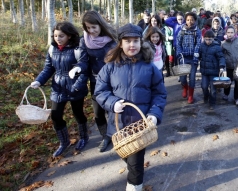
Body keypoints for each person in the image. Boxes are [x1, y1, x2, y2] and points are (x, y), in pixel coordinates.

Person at [94, 23, 167, 191]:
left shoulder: (150, 68)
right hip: (118, 125)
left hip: (140, 126)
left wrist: (155, 113)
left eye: (135, 41)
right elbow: (100, 91)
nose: (132, 45)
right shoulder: (110, 67)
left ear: (141, 42)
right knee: (127, 155)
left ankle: (135, 185)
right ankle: (136, 172)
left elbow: (159, 93)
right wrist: (112, 103)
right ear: (120, 43)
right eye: (127, 41)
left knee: (135, 163)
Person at [30, 21, 89, 157]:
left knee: (78, 114)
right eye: (55, 36)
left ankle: (84, 137)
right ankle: (64, 142)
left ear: (69, 36)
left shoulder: (77, 49)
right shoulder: (52, 49)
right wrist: (39, 81)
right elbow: (48, 68)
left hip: (74, 87)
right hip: (58, 87)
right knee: (56, 116)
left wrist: (76, 87)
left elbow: (84, 70)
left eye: (61, 36)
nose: (58, 39)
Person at [74, 10, 117, 152]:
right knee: (98, 112)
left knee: (114, 109)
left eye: (94, 27)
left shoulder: (111, 37)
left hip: (113, 79)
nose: (91, 31)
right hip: (96, 81)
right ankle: (105, 137)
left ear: (100, 24)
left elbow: (119, 57)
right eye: (88, 27)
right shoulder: (84, 40)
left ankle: (117, 134)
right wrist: (79, 68)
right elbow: (83, 60)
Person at [176, 12, 202, 103]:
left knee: (192, 78)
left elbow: (198, 44)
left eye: (191, 20)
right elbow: (178, 44)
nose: (189, 21)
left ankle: (190, 95)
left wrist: (195, 56)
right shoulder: (181, 31)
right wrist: (180, 54)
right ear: (185, 20)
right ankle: (185, 88)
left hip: (193, 58)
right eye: (187, 20)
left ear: (195, 20)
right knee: (183, 77)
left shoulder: (197, 31)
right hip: (183, 58)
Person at [198, 30, 226, 110]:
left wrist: (221, 67)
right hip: (204, 71)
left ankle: (212, 103)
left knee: (213, 89)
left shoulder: (217, 47)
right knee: (204, 86)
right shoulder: (202, 46)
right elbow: (199, 55)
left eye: (210, 39)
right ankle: (206, 96)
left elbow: (221, 57)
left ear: (213, 39)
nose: (208, 41)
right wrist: (197, 56)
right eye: (206, 39)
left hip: (214, 71)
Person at [221, 26, 238, 106]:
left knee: (237, 83)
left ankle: (237, 98)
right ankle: (226, 94)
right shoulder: (223, 43)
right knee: (228, 82)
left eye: (232, 32)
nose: (230, 34)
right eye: (228, 32)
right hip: (229, 66)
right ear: (226, 33)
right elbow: (221, 54)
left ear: (235, 33)